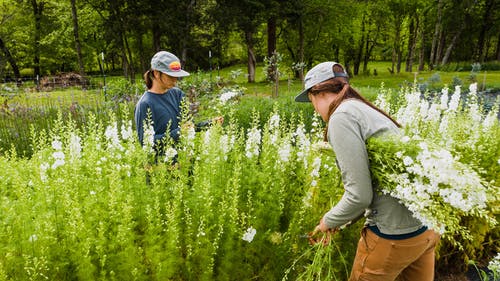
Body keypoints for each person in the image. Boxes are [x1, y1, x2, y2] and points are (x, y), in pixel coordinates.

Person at [295, 61, 440, 281]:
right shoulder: (362, 109)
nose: (314, 109)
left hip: (393, 238)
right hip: (426, 229)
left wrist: (328, 220)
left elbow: (360, 196)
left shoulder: (341, 117)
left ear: (319, 93)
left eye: (311, 101)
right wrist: (341, 221)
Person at [135, 51, 222, 153]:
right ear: (156, 73)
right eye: (170, 76)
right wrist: (178, 133)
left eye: (177, 76)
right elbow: (145, 143)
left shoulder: (177, 94)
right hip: (162, 165)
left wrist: (210, 123)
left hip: (185, 160)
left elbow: (189, 126)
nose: (175, 80)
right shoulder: (145, 104)